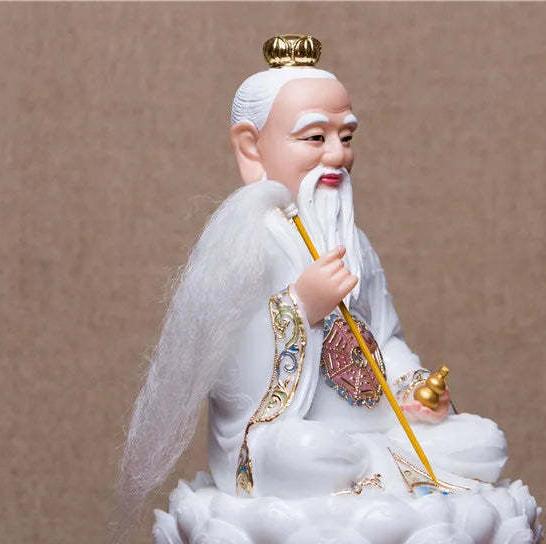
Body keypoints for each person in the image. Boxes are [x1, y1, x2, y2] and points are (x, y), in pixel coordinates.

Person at [120, 36, 508, 512]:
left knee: (484, 442)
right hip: (290, 440)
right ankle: (361, 472)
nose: (337, 156)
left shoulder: (352, 239)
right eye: (315, 138)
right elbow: (222, 363)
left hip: (380, 428)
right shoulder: (245, 243)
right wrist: (300, 308)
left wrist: (414, 387)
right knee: (307, 453)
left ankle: (376, 467)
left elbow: (384, 336)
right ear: (251, 148)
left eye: (346, 138)